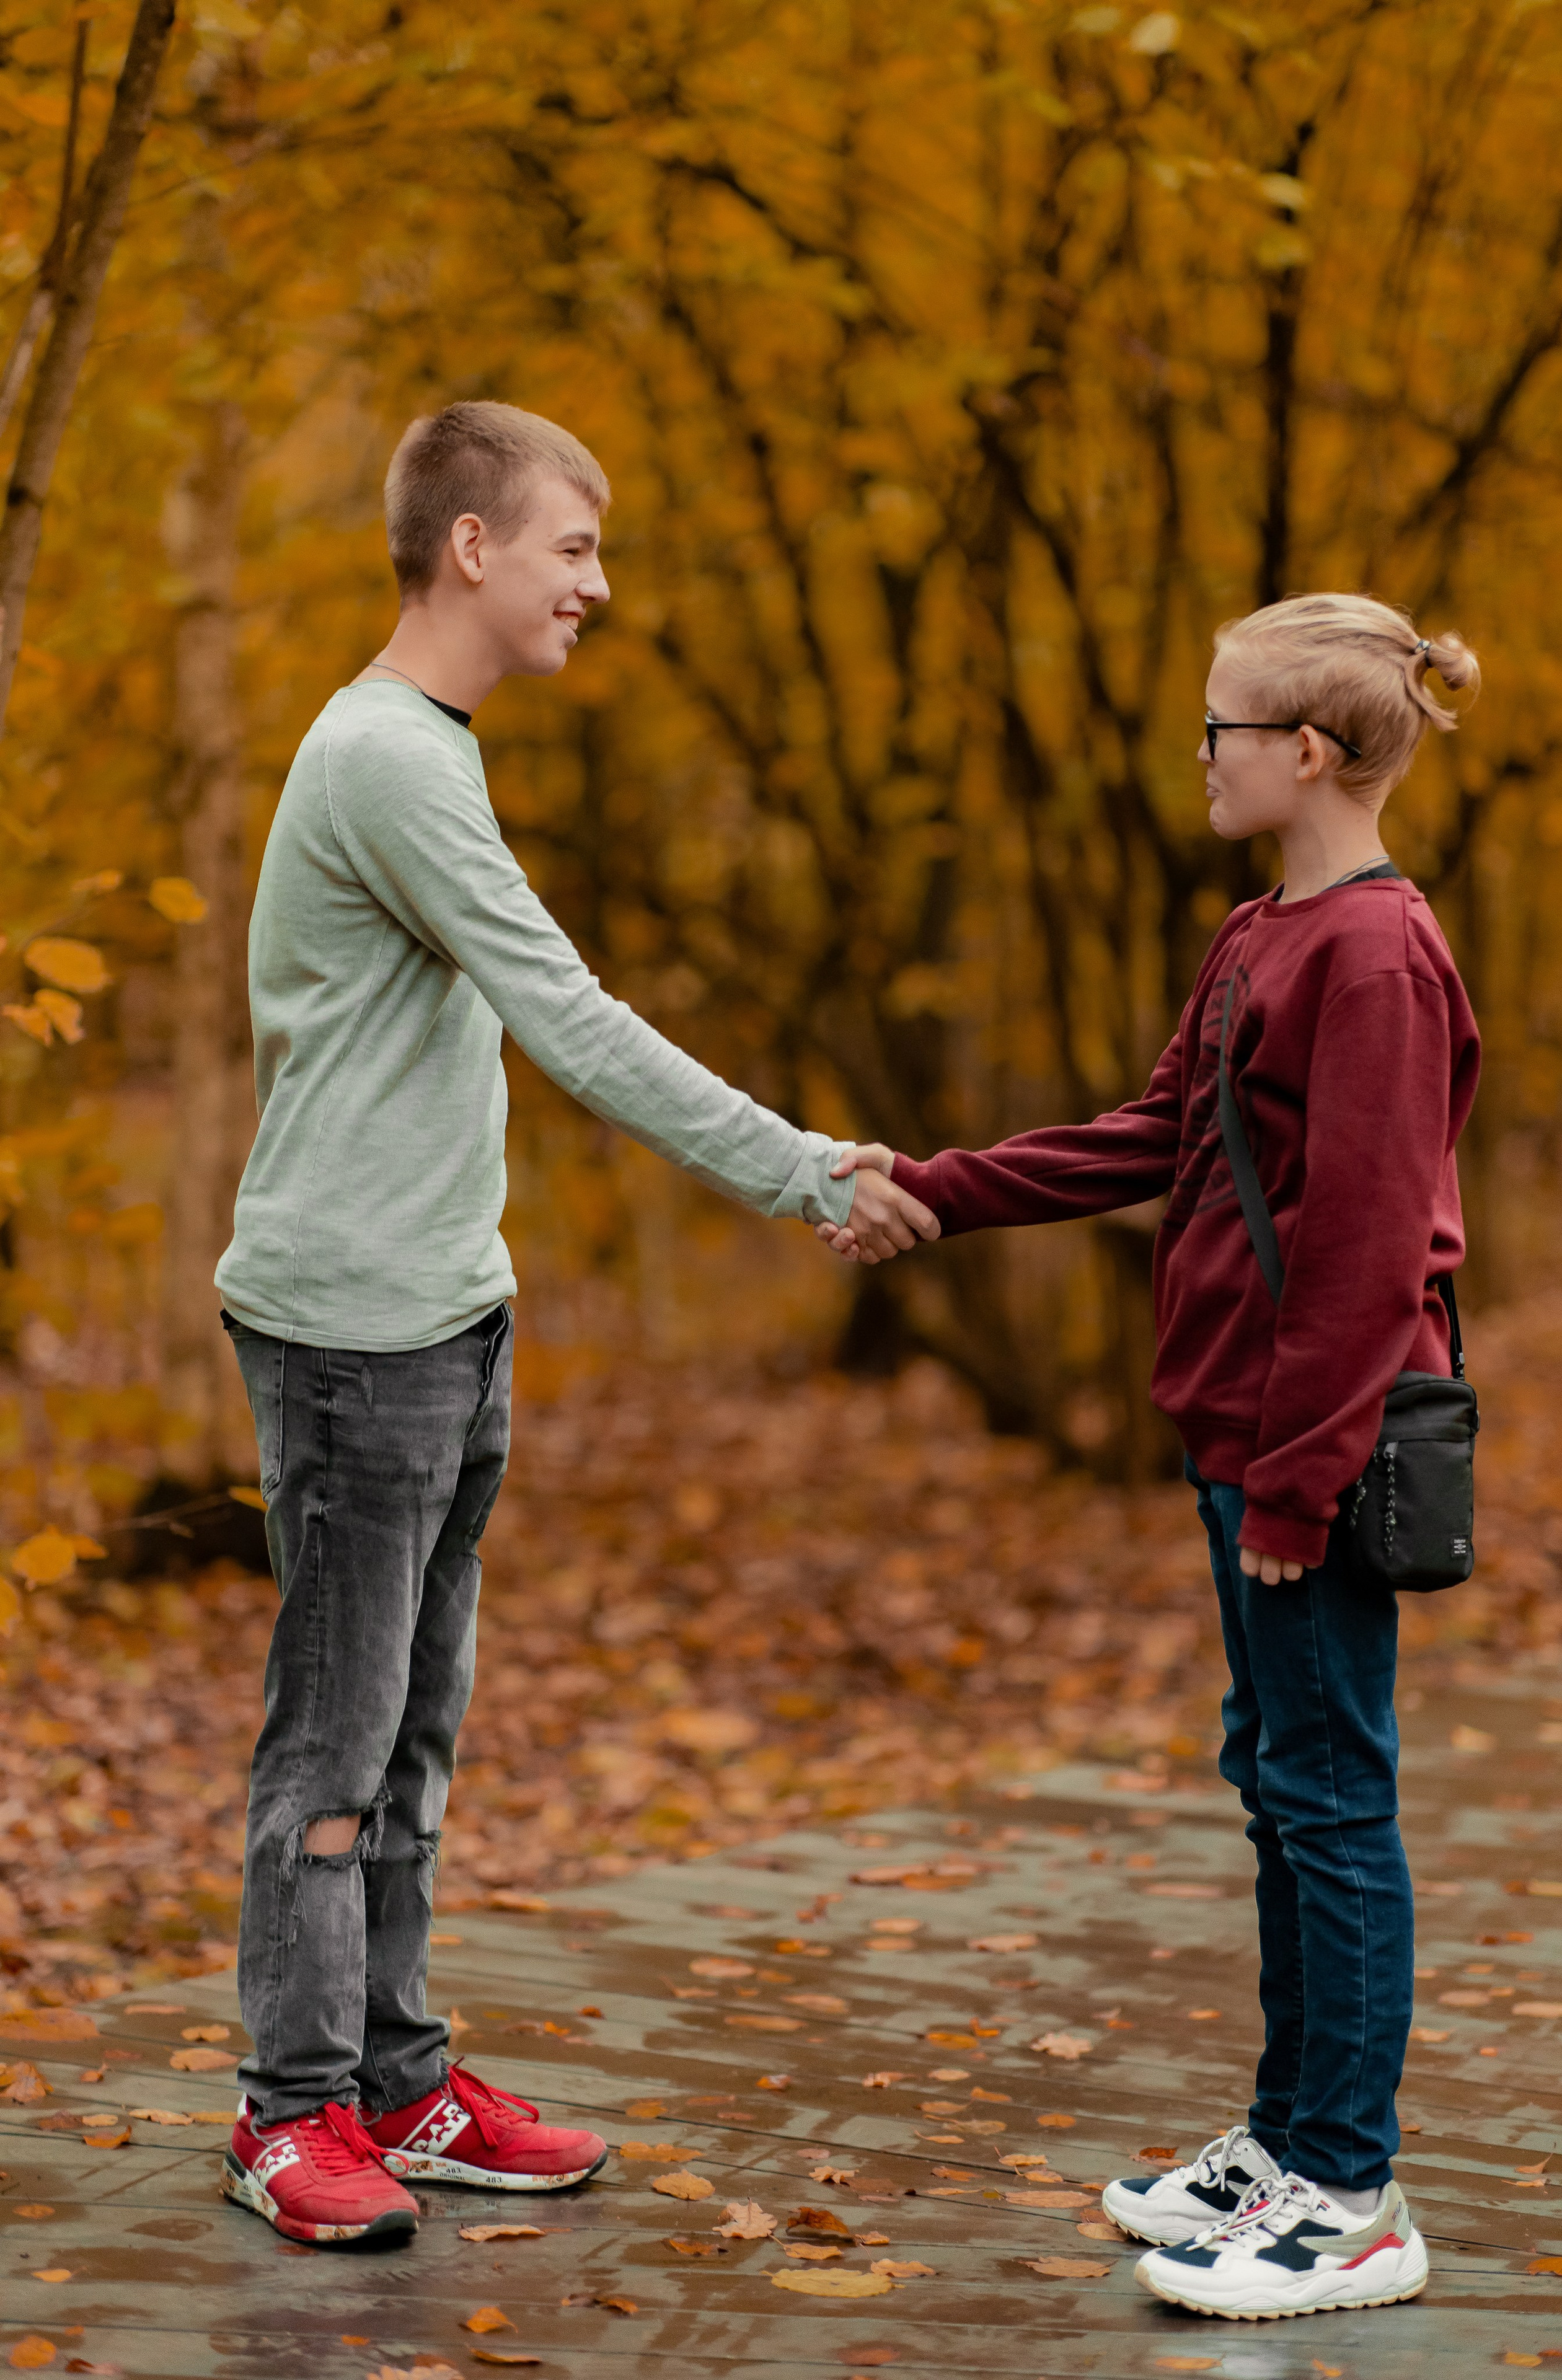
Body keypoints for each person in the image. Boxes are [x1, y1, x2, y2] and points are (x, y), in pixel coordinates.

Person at [214, 400, 937, 2247]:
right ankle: (290, 2114)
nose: (596, 587)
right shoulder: (382, 756)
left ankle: (397, 2082)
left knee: (417, 1737)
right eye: (573, 548)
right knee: (335, 1746)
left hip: (448, 1311)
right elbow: (570, 1014)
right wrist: (801, 1169)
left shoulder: (427, 750)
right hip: (354, 1334)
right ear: (470, 546)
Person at [821, 593, 1481, 2323]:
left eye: (1221, 729)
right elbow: (1151, 1134)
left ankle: (1352, 2191)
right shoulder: (1265, 931)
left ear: (1308, 753)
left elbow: (1363, 1252)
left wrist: (1293, 1481)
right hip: (1239, 1431)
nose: (1200, 757)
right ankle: (1286, 2136)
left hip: (1312, 1459)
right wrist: (940, 1189)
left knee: (1334, 1798)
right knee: (1280, 1780)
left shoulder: (1379, 958)